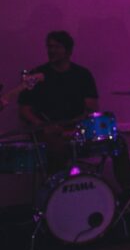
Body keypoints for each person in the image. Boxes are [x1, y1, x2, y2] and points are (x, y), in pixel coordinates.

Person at [18, 31, 98, 172]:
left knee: (118, 142)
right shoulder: (36, 75)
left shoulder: (83, 74)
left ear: (68, 50)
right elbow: (24, 109)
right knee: (58, 148)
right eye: (49, 47)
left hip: (78, 131)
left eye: (57, 47)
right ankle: (61, 189)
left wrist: (76, 130)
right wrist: (42, 125)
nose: (52, 50)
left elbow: (91, 108)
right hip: (49, 132)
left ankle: (128, 189)